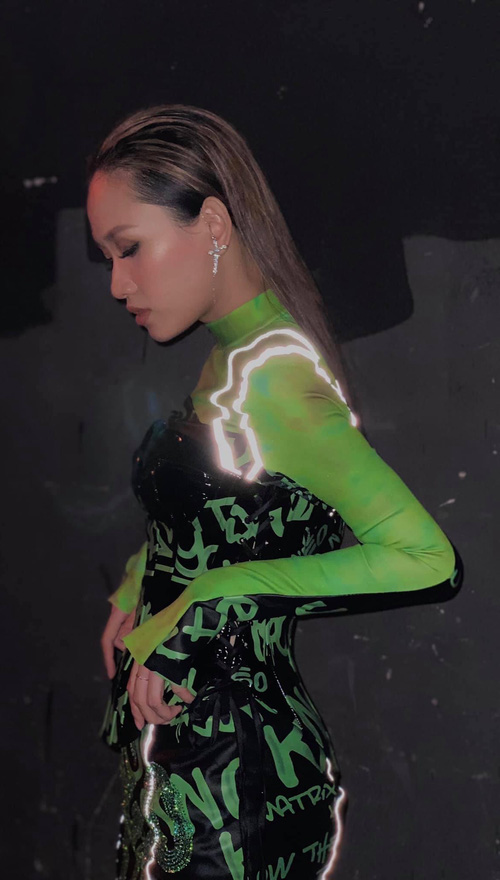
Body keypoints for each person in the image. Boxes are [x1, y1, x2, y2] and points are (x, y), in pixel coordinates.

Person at [86, 105, 463, 880]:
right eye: (108, 258)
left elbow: (426, 559)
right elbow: (233, 514)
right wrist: (140, 582)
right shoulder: (237, 356)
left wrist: (207, 598)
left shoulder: (272, 378)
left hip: (240, 780)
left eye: (130, 248)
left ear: (212, 223)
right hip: (191, 760)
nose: (118, 284)